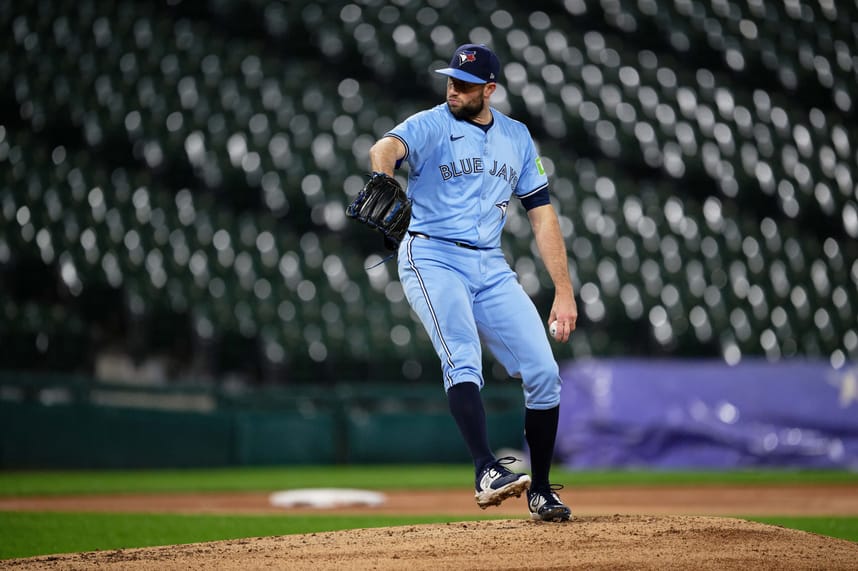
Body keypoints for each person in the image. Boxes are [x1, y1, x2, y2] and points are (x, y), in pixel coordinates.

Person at [368, 43, 578, 522]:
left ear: (489, 89)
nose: (453, 89)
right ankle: (486, 469)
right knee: (462, 357)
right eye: (450, 80)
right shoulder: (431, 123)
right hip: (431, 254)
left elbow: (542, 217)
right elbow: (385, 148)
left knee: (545, 373)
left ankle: (541, 491)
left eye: (464, 84)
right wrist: (383, 177)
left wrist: (564, 292)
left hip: (489, 265)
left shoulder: (518, 138)